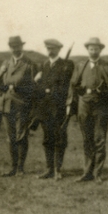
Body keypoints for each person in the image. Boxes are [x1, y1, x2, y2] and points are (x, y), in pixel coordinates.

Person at [67, 37, 108, 182]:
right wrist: (72, 101)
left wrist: (107, 95)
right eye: (91, 48)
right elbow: (73, 84)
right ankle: (87, 172)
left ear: (100, 50)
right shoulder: (81, 65)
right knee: (87, 139)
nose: (93, 51)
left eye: (96, 49)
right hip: (84, 105)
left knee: (99, 139)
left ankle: (97, 173)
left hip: (101, 106)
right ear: (87, 50)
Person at [0, 36, 37, 176]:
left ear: (22, 47)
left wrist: (19, 89)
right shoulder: (6, 63)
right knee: (11, 137)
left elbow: (34, 87)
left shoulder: (29, 64)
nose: (15, 48)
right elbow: (0, 85)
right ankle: (13, 167)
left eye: (18, 46)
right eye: (13, 46)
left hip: (22, 104)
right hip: (7, 104)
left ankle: (20, 168)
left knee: (21, 136)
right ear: (10, 47)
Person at [34, 39, 74, 180]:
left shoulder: (67, 65)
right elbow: (39, 87)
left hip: (58, 107)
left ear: (59, 49)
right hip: (45, 107)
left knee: (59, 138)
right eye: (48, 48)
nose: (50, 50)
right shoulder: (44, 65)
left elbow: (66, 85)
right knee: (47, 138)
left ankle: (58, 169)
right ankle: (49, 168)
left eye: (53, 48)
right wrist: (38, 81)